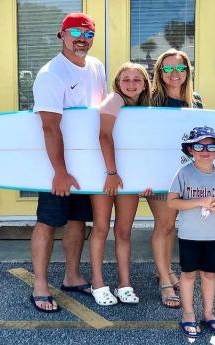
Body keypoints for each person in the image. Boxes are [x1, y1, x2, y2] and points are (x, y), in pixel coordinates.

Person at [30, 12, 106, 313]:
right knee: (48, 222)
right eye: (75, 32)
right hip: (56, 166)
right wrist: (60, 172)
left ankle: (72, 277)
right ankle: (39, 285)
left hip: (86, 165)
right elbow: (50, 127)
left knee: (78, 221)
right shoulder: (52, 74)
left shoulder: (96, 66)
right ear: (61, 35)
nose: (82, 39)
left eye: (88, 34)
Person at [89, 63, 151, 306]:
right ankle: (98, 282)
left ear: (145, 83)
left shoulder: (146, 108)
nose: (132, 84)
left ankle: (124, 283)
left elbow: (146, 149)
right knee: (101, 228)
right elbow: (104, 135)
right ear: (117, 82)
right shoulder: (114, 100)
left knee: (124, 231)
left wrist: (147, 180)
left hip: (130, 178)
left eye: (137, 79)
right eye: (126, 79)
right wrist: (111, 172)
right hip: (106, 175)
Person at [167, 126, 215, 338]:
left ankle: (208, 313)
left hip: (213, 236)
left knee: (209, 275)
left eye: (210, 146)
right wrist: (199, 201)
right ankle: (188, 314)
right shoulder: (184, 173)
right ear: (190, 150)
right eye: (198, 146)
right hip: (189, 235)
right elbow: (172, 202)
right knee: (188, 275)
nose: (204, 150)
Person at [148, 49, 203, 309]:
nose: (174, 74)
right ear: (160, 72)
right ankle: (165, 282)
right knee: (165, 224)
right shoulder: (150, 100)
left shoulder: (196, 101)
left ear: (187, 72)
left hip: (184, 175)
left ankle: (166, 270)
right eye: (168, 69)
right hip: (158, 174)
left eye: (179, 68)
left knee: (172, 226)